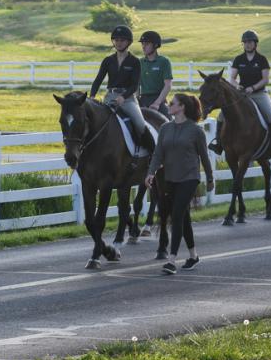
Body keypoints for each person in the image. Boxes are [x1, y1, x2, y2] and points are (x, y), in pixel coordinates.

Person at [145, 93, 214, 275]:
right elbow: (158, 154)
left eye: (173, 103)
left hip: (190, 178)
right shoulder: (165, 129)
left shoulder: (196, 131)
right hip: (170, 178)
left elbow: (205, 157)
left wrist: (209, 178)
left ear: (182, 107)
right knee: (184, 218)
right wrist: (151, 173)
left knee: (176, 215)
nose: (169, 104)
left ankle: (171, 260)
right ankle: (193, 255)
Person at [208, 29, 271, 155]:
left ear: (255, 43)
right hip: (241, 94)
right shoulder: (238, 59)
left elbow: (265, 79)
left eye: (250, 42)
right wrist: (238, 86)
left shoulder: (262, 59)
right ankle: (218, 143)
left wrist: (253, 88)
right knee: (221, 115)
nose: (248, 44)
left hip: (259, 93)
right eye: (245, 42)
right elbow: (232, 78)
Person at [89, 25, 155, 157]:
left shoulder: (135, 61)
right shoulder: (108, 60)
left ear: (128, 42)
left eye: (122, 40)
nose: (118, 43)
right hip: (110, 97)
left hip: (128, 98)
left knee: (140, 124)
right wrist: (92, 96)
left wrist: (123, 97)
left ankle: (151, 153)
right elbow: (98, 80)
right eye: (116, 40)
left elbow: (134, 85)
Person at [138, 30, 172, 118]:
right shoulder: (139, 62)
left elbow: (168, 85)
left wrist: (157, 103)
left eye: (147, 44)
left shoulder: (164, 61)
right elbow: (136, 86)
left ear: (156, 45)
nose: (143, 47)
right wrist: (136, 100)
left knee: (169, 122)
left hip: (159, 99)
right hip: (143, 99)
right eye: (142, 44)